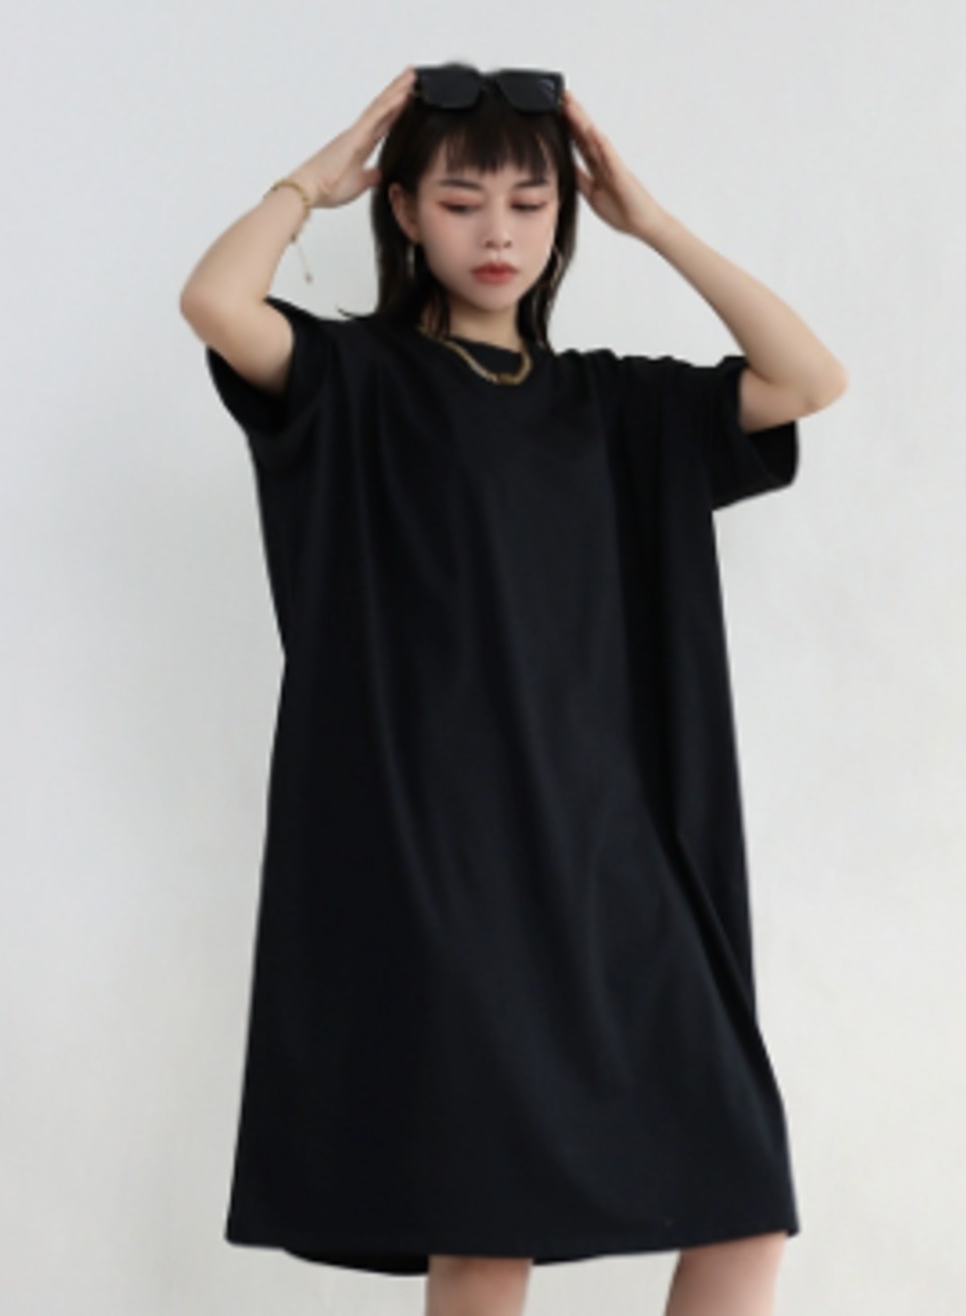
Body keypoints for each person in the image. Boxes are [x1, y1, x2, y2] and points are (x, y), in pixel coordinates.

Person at [179, 62, 848, 1316]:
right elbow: (216, 300)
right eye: (460, 200)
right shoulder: (358, 382)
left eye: (530, 204)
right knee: (488, 1231)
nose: (497, 231)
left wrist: (651, 222)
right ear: (404, 212)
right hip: (453, 870)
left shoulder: (613, 404)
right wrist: (309, 182)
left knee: (740, 1194)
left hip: (615, 864)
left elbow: (807, 379)